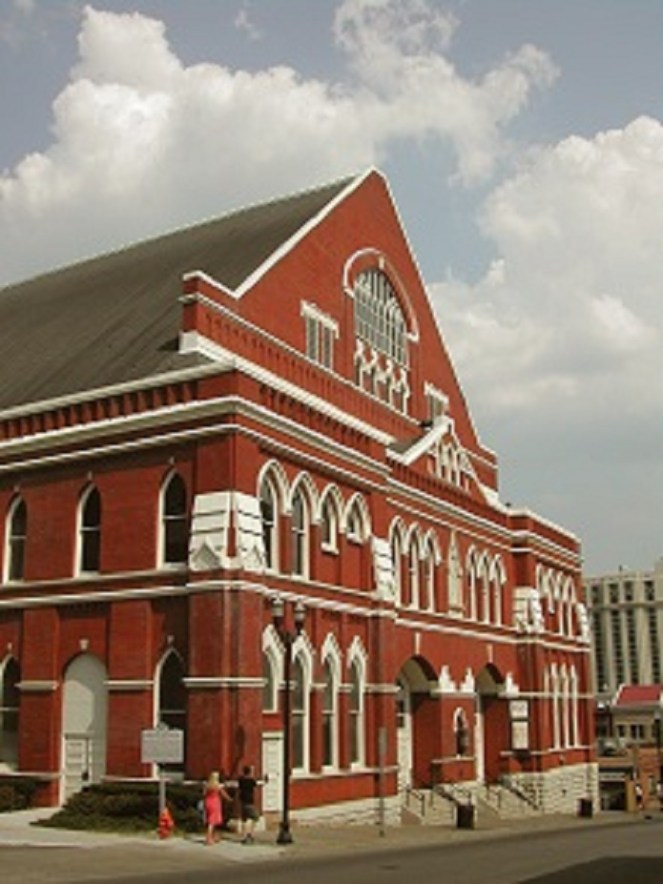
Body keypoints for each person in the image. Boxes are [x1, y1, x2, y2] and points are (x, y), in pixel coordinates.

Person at [203, 771, 230, 845]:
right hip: (215, 802)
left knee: (211, 819)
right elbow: (223, 794)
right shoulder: (218, 785)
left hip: (208, 802)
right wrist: (229, 799)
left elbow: (204, 793)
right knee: (212, 821)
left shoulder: (207, 785)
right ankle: (208, 838)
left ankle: (213, 837)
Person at [237, 764, 262, 844]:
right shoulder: (250, 781)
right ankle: (249, 834)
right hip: (249, 802)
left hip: (242, 801)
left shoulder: (241, 780)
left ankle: (244, 836)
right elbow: (257, 784)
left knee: (245, 819)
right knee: (255, 817)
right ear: (250, 772)